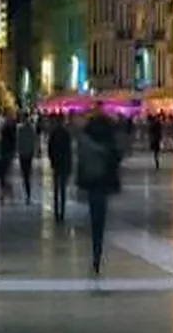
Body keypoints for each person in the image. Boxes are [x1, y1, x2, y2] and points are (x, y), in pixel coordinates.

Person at [75, 110, 123, 276]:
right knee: (100, 218)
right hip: (104, 182)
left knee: (94, 217)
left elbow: (81, 162)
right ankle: (97, 250)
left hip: (91, 182)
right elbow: (117, 158)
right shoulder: (109, 142)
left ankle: (96, 249)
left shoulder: (85, 140)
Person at [47, 115, 73, 221]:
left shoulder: (53, 134)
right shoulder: (66, 134)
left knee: (56, 189)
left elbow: (50, 149)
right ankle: (62, 211)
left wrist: (52, 161)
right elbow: (69, 151)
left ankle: (56, 211)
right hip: (64, 164)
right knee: (62, 189)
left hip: (57, 164)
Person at [15, 115, 38, 203]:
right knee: (27, 173)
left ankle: (26, 191)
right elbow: (34, 140)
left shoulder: (20, 129)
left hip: (23, 154)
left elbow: (18, 142)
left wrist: (18, 150)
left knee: (25, 173)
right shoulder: (32, 129)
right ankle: (28, 193)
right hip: (29, 153)